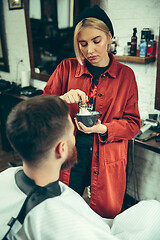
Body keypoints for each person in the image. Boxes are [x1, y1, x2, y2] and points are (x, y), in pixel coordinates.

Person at [0, 95, 160, 240]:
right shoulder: (64, 223)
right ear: (61, 149)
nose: (74, 139)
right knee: (153, 209)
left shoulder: (6, 176)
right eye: (72, 133)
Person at [43, 5, 141, 218]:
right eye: (83, 43)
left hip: (107, 161)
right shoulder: (65, 69)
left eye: (96, 41)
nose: (89, 51)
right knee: (64, 212)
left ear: (109, 37)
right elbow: (42, 111)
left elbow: (133, 124)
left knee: (102, 218)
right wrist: (61, 100)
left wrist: (103, 128)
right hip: (69, 158)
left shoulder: (126, 76)